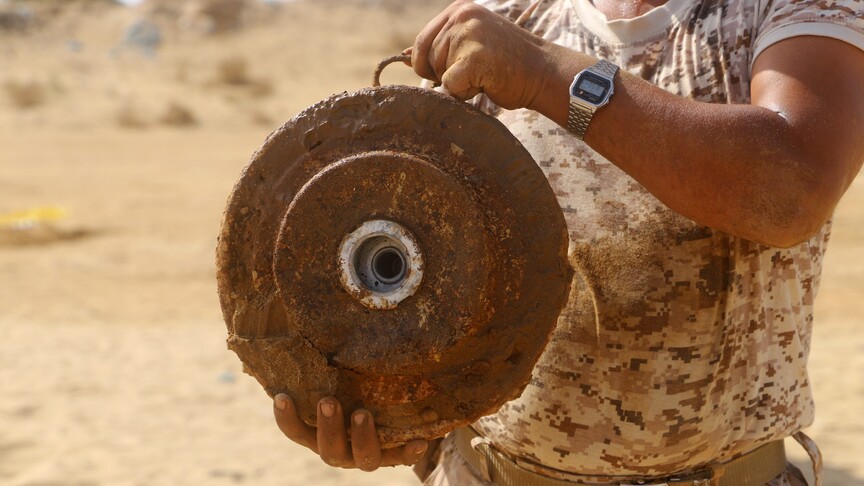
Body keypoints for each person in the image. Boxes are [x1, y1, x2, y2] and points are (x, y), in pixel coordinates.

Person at [272, 0, 864, 484]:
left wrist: (548, 76)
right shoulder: (510, 22)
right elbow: (433, 280)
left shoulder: (790, 11)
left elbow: (791, 188)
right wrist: (397, 413)